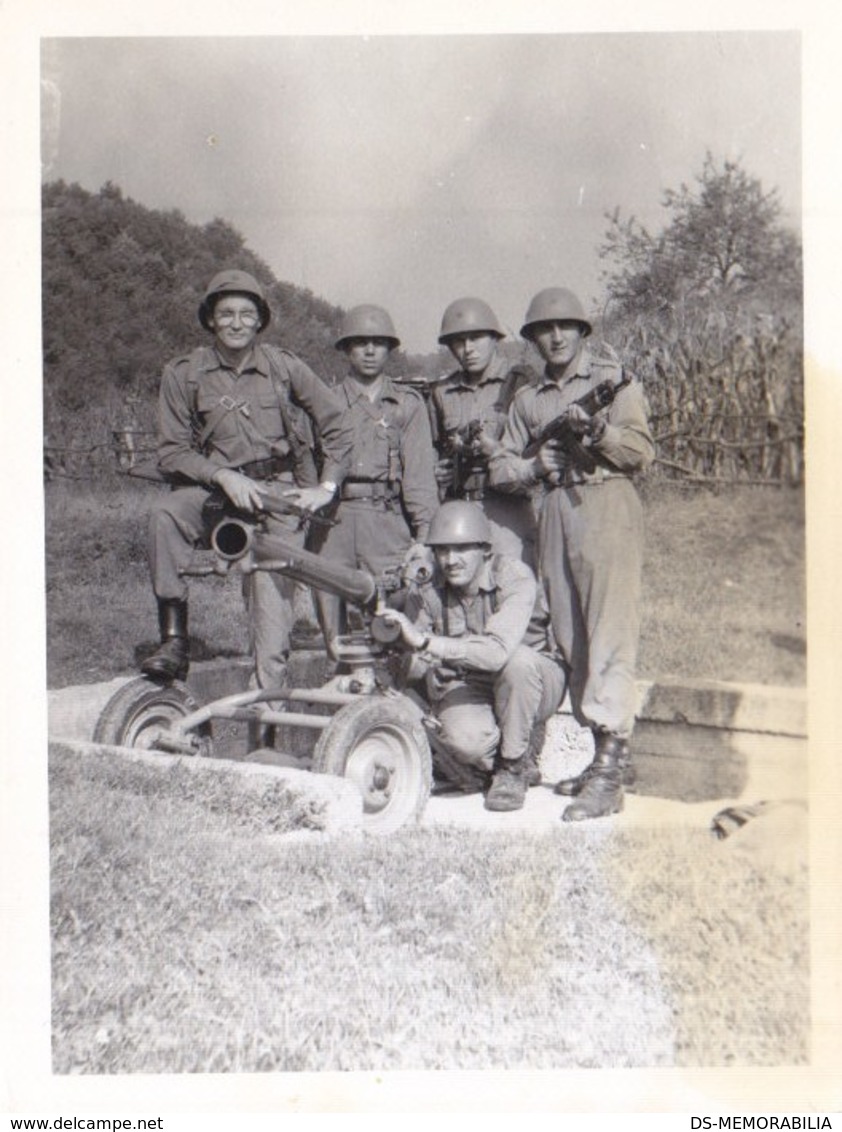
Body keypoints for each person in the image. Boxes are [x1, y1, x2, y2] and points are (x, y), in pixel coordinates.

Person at [141, 268, 352, 691]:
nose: (236, 323)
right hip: (213, 493)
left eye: (246, 314)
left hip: (276, 496)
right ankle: (174, 640)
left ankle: (269, 712)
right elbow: (171, 450)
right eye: (226, 314)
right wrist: (220, 475)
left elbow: (338, 424)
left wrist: (324, 488)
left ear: (259, 320)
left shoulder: (283, 367)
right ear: (210, 320)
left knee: (270, 613)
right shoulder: (184, 373)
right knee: (164, 514)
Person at [489, 287, 655, 821]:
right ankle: (600, 753)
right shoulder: (529, 399)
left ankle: (611, 769)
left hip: (606, 499)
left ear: (583, 331)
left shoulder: (614, 381)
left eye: (565, 327)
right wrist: (537, 465)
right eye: (544, 329)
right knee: (570, 632)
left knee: (609, 629)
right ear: (534, 338)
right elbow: (501, 468)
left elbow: (640, 453)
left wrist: (599, 432)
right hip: (556, 505)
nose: (555, 336)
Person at [383, 500, 567, 813]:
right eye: (442, 551)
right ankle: (502, 752)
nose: (451, 560)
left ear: (484, 549)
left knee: (517, 663)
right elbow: (419, 657)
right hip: (471, 683)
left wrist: (427, 642)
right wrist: (400, 657)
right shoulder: (432, 590)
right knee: (465, 743)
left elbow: (496, 654)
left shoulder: (514, 577)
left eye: (462, 549)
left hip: (533, 681)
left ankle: (513, 766)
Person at [310, 304, 439, 660]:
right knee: (333, 629)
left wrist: (425, 536)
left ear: (389, 349)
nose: (369, 351)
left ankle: (396, 704)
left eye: (378, 343)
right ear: (345, 349)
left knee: (394, 619)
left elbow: (419, 477)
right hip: (333, 520)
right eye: (360, 343)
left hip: (386, 518)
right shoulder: (324, 401)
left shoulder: (407, 404)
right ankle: (342, 700)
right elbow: (307, 466)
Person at [429, 298, 537, 566]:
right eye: (458, 341)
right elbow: (433, 447)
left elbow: (536, 451)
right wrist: (440, 469)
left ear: (494, 338)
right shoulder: (442, 392)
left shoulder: (521, 382)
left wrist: (496, 452)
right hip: (459, 506)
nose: (468, 349)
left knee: (515, 586)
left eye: (476, 338)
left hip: (508, 507)